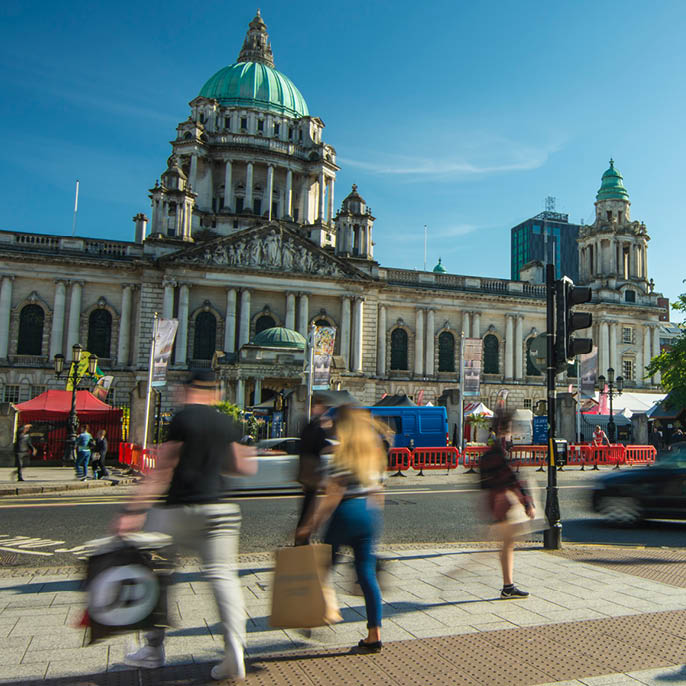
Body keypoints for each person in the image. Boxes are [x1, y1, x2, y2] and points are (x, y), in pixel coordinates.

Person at [115, 370, 257, 682]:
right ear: (216, 392)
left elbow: (163, 470)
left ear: (188, 390)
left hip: (177, 509)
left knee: (158, 575)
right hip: (220, 509)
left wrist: (133, 510)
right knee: (224, 578)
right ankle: (235, 653)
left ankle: (153, 650)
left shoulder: (182, 420)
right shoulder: (227, 422)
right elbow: (245, 467)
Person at [296, 405, 386, 653]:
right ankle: (374, 634)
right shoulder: (373, 454)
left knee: (322, 568)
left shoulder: (342, 454)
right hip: (368, 514)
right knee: (367, 575)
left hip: (345, 513)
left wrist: (310, 524)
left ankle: (315, 616)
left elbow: (333, 495)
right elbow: (379, 492)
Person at [480, 409, 535, 599]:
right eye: (510, 426)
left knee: (507, 544)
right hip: (502, 503)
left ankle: (508, 585)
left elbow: (485, 481)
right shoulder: (500, 449)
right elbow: (511, 478)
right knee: (507, 544)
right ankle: (507, 586)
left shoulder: (494, 449)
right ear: (505, 427)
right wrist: (527, 503)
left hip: (496, 503)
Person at [295, 393, 333, 544]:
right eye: (323, 407)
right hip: (312, 474)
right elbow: (320, 445)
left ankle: (303, 540)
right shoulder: (315, 426)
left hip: (307, 473)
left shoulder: (309, 425)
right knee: (309, 510)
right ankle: (302, 542)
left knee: (308, 509)